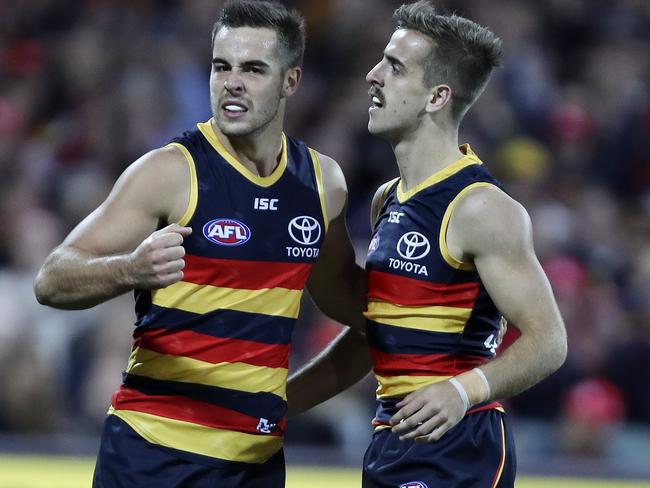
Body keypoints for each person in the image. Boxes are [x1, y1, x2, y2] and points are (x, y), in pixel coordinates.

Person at [33, 1, 364, 487]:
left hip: (255, 466)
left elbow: (359, 310)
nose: (232, 82)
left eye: (253, 69)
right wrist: (130, 269)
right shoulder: (169, 172)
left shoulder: (322, 184)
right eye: (220, 66)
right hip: (151, 458)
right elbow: (52, 278)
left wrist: (432, 303)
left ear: (290, 81)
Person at [287, 2, 567, 487]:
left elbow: (549, 342)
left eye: (394, 67)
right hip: (391, 440)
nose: (372, 75)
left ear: (437, 96)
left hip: (460, 448)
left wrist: (463, 391)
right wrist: (270, 408)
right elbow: (373, 338)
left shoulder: (481, 208)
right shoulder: (386, 200)